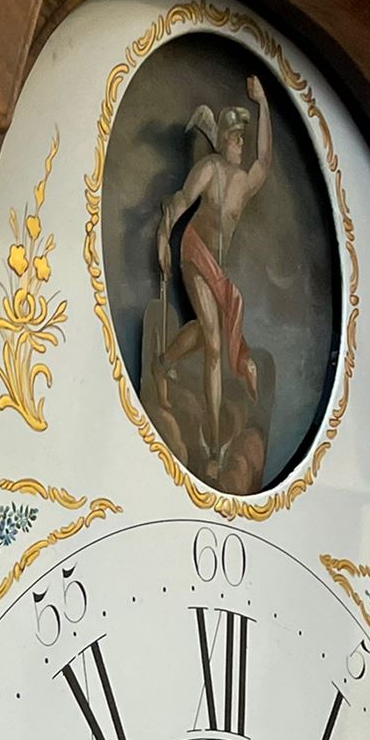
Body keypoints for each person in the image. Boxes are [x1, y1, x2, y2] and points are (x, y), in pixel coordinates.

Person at [155, 76, 273, 472]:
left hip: (217, 270)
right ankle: (213, 446)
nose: (240, 144)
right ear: (222, 140)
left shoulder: (243, 183)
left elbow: (265, 160)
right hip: (194, 253)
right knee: (214, 344)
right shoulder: (209, 169)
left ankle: (165, 360)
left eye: (242, 138)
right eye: (235, 138)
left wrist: (263, 104)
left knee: (207, 334)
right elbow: (181, 201)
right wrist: (163, 237)